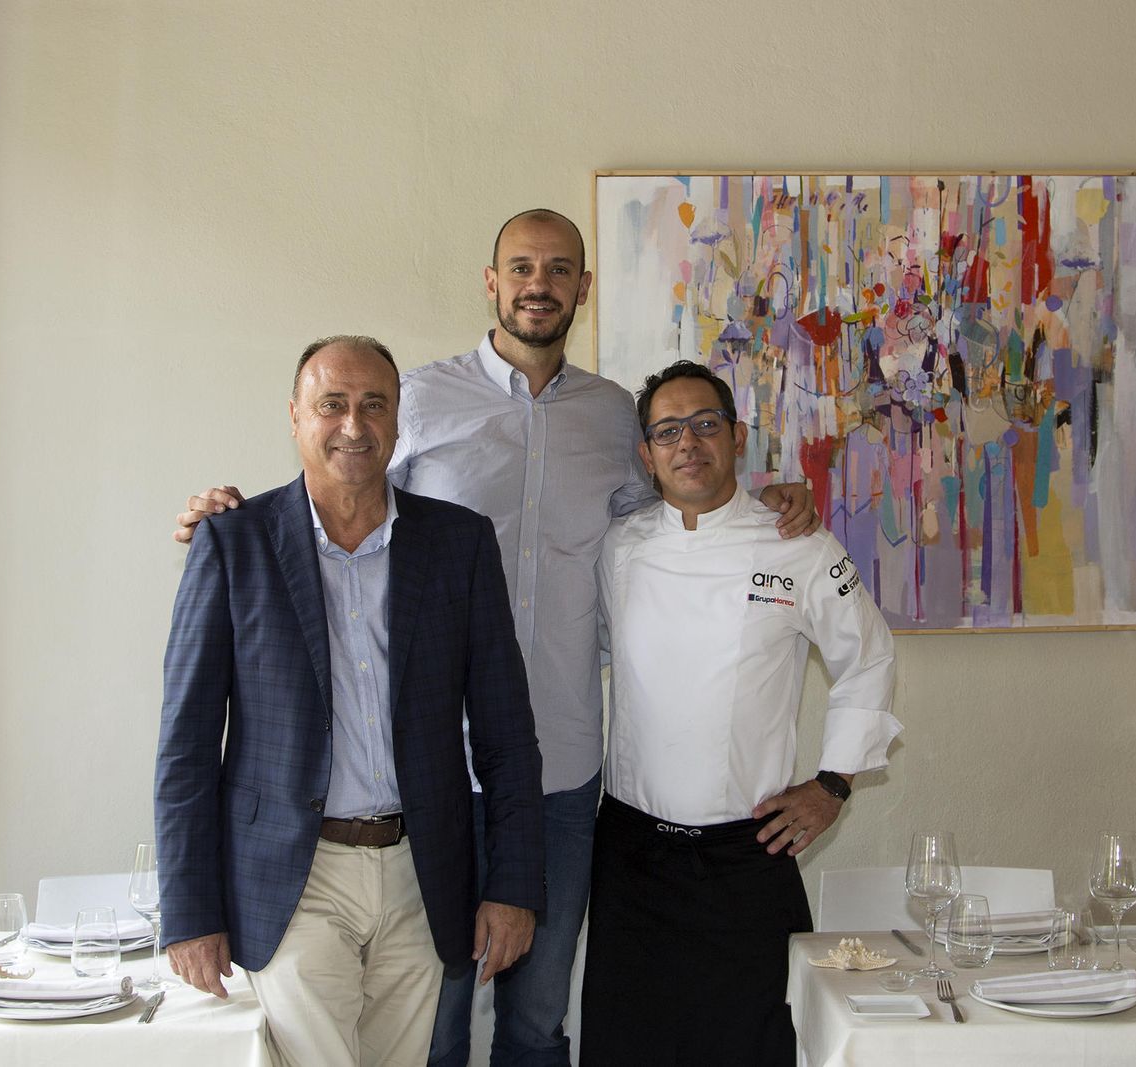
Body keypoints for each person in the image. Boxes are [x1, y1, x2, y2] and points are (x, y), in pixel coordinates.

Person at [172, 210, 818, 1066]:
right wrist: (227, 517)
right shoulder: (419, 400)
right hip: (425, 777)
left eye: (557, 269)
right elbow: (338, 494)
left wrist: (769, 498)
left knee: (535, 1020)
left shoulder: (614, 416)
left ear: (583, 288)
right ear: (492, 282)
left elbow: (681, 507)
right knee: (432, 1028)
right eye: (520, 267)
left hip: (557, 766)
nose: (538, 285)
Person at [156, 336, 544, 1067]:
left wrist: (514, 885)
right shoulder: (235, 544)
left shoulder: (459, 544)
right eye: (331, 404)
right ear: (295, 416)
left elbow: (507, 734)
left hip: (421, 874)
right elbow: (187, 746)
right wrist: (189, 911)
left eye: (374, 405)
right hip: (293, 878)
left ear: (398, 419)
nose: (353, 425)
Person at [581, 360, 901, 1066]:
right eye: (667, 431)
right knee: (626, 1048)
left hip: (746, 856)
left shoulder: (798, 544)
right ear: (647, 455)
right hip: (632, 854)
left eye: (705, 424)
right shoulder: (619, 547)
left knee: (756, 1046)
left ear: (737, 436)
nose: (687, 443)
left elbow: (870, 658)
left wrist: (833, 785)